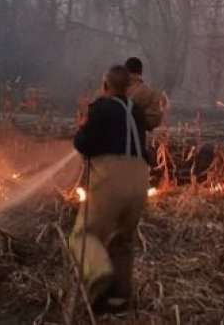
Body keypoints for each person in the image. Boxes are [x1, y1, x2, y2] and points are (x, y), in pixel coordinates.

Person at [70, 65, 151, 315]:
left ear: (105, 86)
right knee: (122, 240)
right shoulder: (136, 111)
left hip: (111, 177)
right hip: (140, 179)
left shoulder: (100, 108)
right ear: (127, 88)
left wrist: (83, 126)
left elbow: (84, 144)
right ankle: (119, 300)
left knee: (83, 234)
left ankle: (99, 276)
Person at [125, 57, 165, 133]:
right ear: (141, 72)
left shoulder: (112, 90)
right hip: (135, 140)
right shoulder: (150, 93)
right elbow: (154, 121)